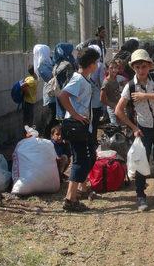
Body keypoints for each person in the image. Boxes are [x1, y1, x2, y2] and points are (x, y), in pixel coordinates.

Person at [115, 49, 154, 212]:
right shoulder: (130, 86)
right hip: (143, 128)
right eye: (138, 67)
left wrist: (145, 95)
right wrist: (134, 128)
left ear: (149, 66)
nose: (141, 70)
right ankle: (140, 195)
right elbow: (118, 111)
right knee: (142, 160)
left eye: (144, 66)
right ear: (133, 68)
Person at [58, 47, 100, 212]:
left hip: (84, 126)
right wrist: (75, 115)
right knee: (80, 161)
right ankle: (70, 198)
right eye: (95, 62)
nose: (97, 65)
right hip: (77, 126)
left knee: (89, 157)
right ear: (90, 64)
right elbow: (62, 95)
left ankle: (81, 187)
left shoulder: (84, 78)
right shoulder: (78, 79)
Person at [33, 44, 57, 137]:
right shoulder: (41, 66)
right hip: (51, 93)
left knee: (55, 116)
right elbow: (50, 78)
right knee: (52, 116)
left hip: (54, 92)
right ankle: (46, 136)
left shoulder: (48, 61)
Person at [53, 43, 77, 120]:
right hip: (67, 93)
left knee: (61, 115)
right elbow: (71, 80)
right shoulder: (68, 64)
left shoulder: (56, 63)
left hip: (58, 91)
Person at [101, 59, 127, 126]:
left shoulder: (117, 78)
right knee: (115, 126)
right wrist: (113, 106)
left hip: (119, 105)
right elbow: (102, 99)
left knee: (122, 125)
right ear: (107, 69)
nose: (114, 70)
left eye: (115, 68)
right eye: (111, 68)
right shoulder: (106, 82)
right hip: (112, 108)